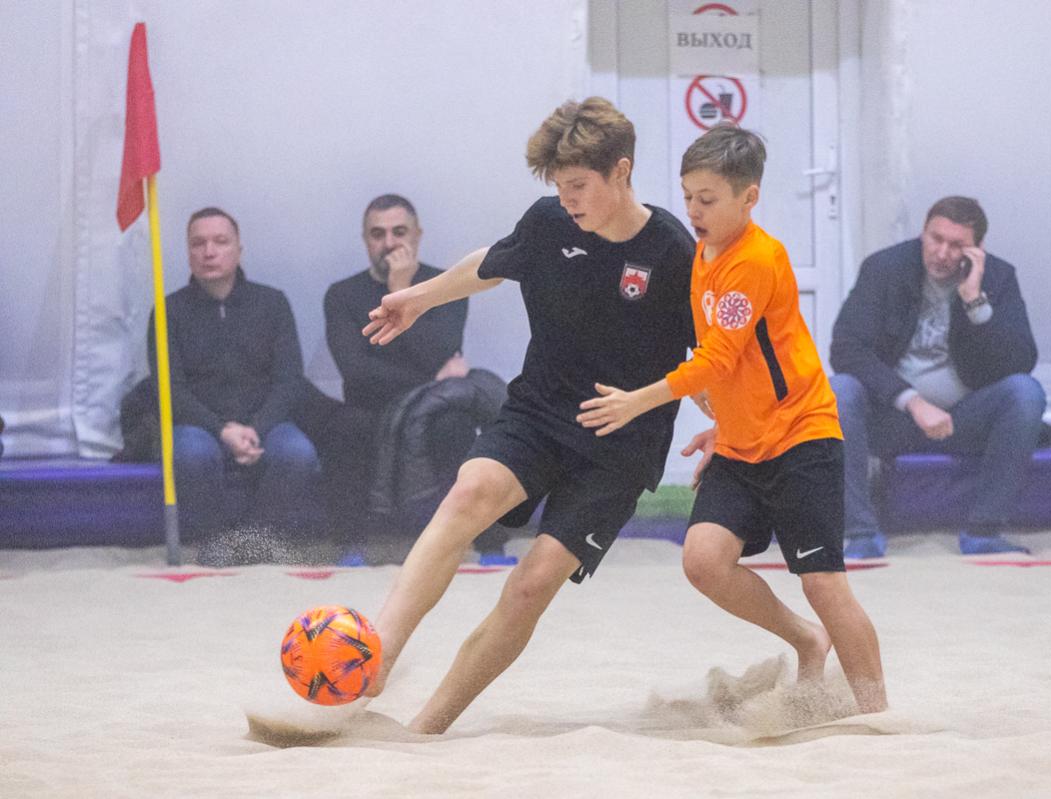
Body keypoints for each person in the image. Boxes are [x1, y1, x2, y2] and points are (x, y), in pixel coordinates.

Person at [360, 97, 695, 733]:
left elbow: (708, 358)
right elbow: (490, 264)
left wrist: (722, 427)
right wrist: (419, 299)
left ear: (621, 172)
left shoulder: (672, 251)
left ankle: (425, 727)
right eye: (559, 185)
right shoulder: (548, 222)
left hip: (621, 441)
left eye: (579, 185)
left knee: (530, 585)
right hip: (540, 410)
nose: (567, 199)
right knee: (470, 492)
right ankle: (374, 656)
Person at [576, 124, 887, 713]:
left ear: (750, 198)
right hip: (743, 446)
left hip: (801, 438)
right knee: (703, 562)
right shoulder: (703, 252)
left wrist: (638, 400)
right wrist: (726, 424)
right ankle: (806, 640)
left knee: (823, 584)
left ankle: (877, 713)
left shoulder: (757, 260)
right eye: (687, 197)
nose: (693, 210)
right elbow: (724, 360)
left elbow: (719, 357)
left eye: (707, 199)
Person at [828, 196, 1045, 559]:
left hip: (962, 418)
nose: (942, 253)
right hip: (893, 415)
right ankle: (861, 533)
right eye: (935, 239)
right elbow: (846, 349)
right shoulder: (885, 268)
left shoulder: (998, 277)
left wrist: (975, 302)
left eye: (956, 245)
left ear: (977, 249)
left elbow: (1022, 361)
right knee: (839, 390)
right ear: (923, 233)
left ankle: (984, 532)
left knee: (1025, 393)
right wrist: (912, 401)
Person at [322, 194, 506, 563]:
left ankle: (487, 545)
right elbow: (355, 373)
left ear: (417, 235)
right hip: (372, 406)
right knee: (345, 427)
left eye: (399, 232)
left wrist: (401, 291)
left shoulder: (449, 285)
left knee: (457, 425)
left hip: (432, 409)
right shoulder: (342, 295)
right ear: (365, 239)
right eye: (378, 234)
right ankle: (350, 547)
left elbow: (440, 350)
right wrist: (432, 377)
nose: (389, 243)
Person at [149, 207, 320, 541]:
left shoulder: (272, 303)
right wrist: (222, 430)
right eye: (198, 243)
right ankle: (215, 542)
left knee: (298, 453)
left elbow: (289, 381)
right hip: (198, 425)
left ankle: (256, 541)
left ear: (238, 250)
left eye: (220, 241)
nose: (209, 251)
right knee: (191, 454)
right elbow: (169, 390)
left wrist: (256, 428)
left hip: (265, 423)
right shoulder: (168, 311)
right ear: (188, 253)